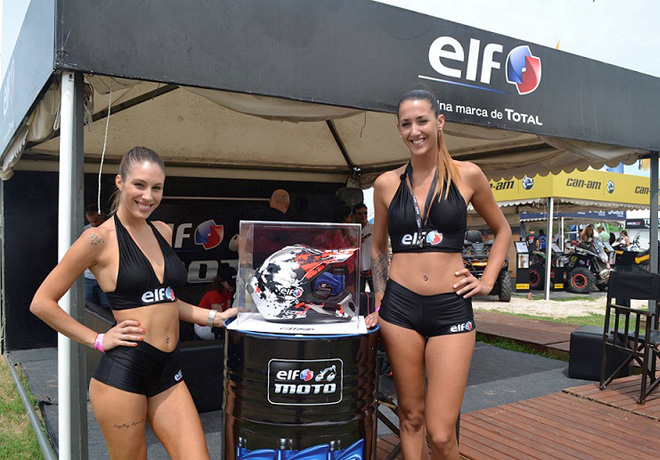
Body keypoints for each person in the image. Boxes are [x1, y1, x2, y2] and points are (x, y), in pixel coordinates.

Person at [30, 147, 238, 459]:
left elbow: (167, 300)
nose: (148, 196)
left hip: (167, 371)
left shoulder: (163, 231)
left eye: (157, 188)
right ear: (120, 182)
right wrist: (97, 339)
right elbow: (42, 303)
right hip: (124, 374)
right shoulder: (97, 240)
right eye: (139, 185)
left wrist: (214, 318)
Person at [366, 89, 510, 459]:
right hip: (399, 310)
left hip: (451, 307)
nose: (414, 131)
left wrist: (487, 281)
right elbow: (378, 246)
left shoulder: (468, 175)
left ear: (440, 122)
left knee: (442, 433)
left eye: (422, 121)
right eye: (406, 124)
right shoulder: (386, 184)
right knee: (411, 417)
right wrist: (380, 298)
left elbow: (503, 230)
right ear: (399, 130)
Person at [194, 267, 236, 340]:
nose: (232, 286)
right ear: (222, 282)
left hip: (214, 320)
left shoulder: (228, 291)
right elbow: (221, 317)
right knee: (232, 331)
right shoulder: (214, 294)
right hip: (203, 326)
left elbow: (227, 309)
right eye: (230, 283)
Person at [84, 203, 110, 308]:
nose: (94, 224)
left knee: (107, 309)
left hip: (106, 276)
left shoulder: (111, 230)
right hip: (88, 277)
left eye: (96, 221)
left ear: (102, 215)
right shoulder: (84, 232)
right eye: (91, 222)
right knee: (89, 308)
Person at [353, 203, 374, 292]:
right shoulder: (350, 229)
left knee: (376, 296)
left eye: (365, 213)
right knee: (358, 296)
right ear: (354, 215)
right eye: (360, 213)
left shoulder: (373, 228)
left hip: (372, 270)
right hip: (356, 271)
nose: (363, 216)